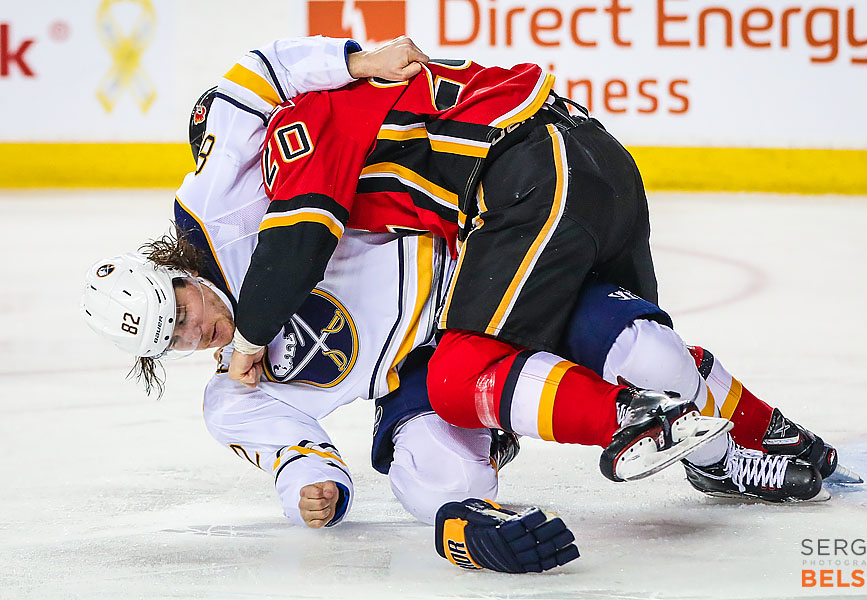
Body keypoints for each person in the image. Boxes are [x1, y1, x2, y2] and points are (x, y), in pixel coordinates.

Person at [224, 54, 858, 496]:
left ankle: (636, 420)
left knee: (458, 376)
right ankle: (766, 436)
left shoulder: (298, 121)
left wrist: (251, 338)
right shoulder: (368, 101)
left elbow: (300, 235)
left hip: (533, 176)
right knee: (630, 348)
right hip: (597, 158)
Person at [81, 35, 579, 575]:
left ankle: (682, 416)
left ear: (177, 276)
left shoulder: (213, 208)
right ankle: (474, 528)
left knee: (602, 335)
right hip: (413, 373)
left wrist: (359, 62)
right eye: (174, 341)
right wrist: (308, 488)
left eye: (179, 314)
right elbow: (291, 449)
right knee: (444, 479)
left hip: (463, 266)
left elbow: (255, 76)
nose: (194, 333)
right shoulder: (234, 391)